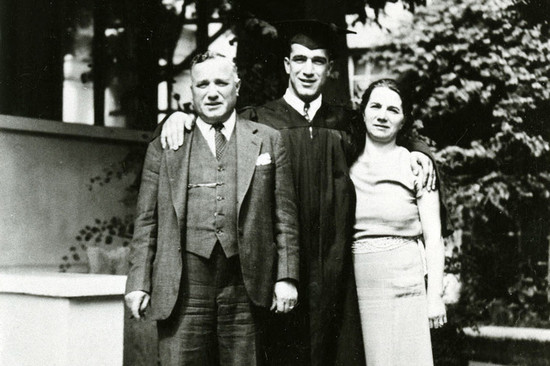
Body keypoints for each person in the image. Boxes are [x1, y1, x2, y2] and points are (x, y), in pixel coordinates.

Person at [158, 20, 440, 366]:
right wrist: (174, 119)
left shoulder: (345, 122)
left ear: (330, 69)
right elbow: (209, 126)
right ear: (287, 65)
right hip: (281, 271)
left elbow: (387, 130)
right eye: (300, 59)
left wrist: (418, 152)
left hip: (336, 270)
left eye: (318, 61)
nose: (308, 70)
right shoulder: (259, 121)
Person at [124, 51, 299, 366]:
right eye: (202, 84)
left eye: (221, 82)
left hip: (246, 285)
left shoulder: (268, 141)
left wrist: (286, 277)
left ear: (237, 86)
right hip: (184, 286)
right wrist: (138, 282)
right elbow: (146, 222)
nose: (212, 91)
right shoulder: (167, 144)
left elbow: (284, 218)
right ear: (192, 92)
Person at [350, 79, 447, 365]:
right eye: (375, 106)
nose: (382, 115)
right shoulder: (345, 160)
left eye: (393, 109)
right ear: (364, 112)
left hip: (405, 283)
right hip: (357, 284)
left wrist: (435, 297)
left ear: (404, 120)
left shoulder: (416, 166)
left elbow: (434, 238)